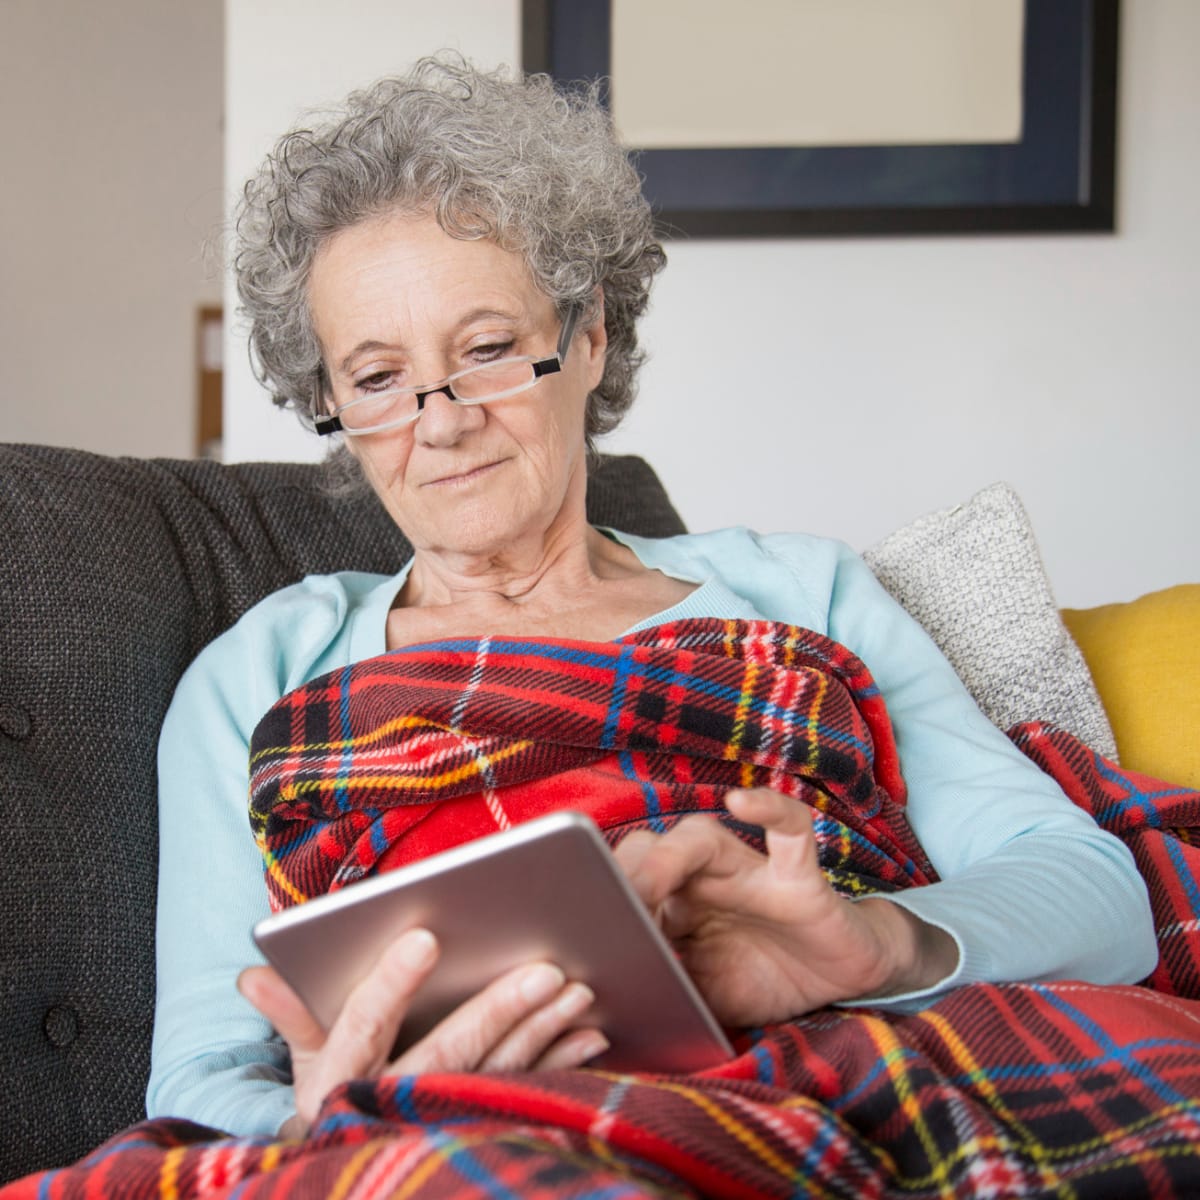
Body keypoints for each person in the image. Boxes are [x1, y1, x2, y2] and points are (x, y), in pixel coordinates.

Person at [147, 54, 1157, 1143]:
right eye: (378, 378)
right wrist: (326, 1127)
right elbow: (202, 1073)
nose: (438, 423)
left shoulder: (801, 591)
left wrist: (874, 944)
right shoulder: (258, 675)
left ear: (587, 340)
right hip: (435, 1144)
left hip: (846, 1075)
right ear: (332, 401)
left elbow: (1098, 897)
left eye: (487, 350)